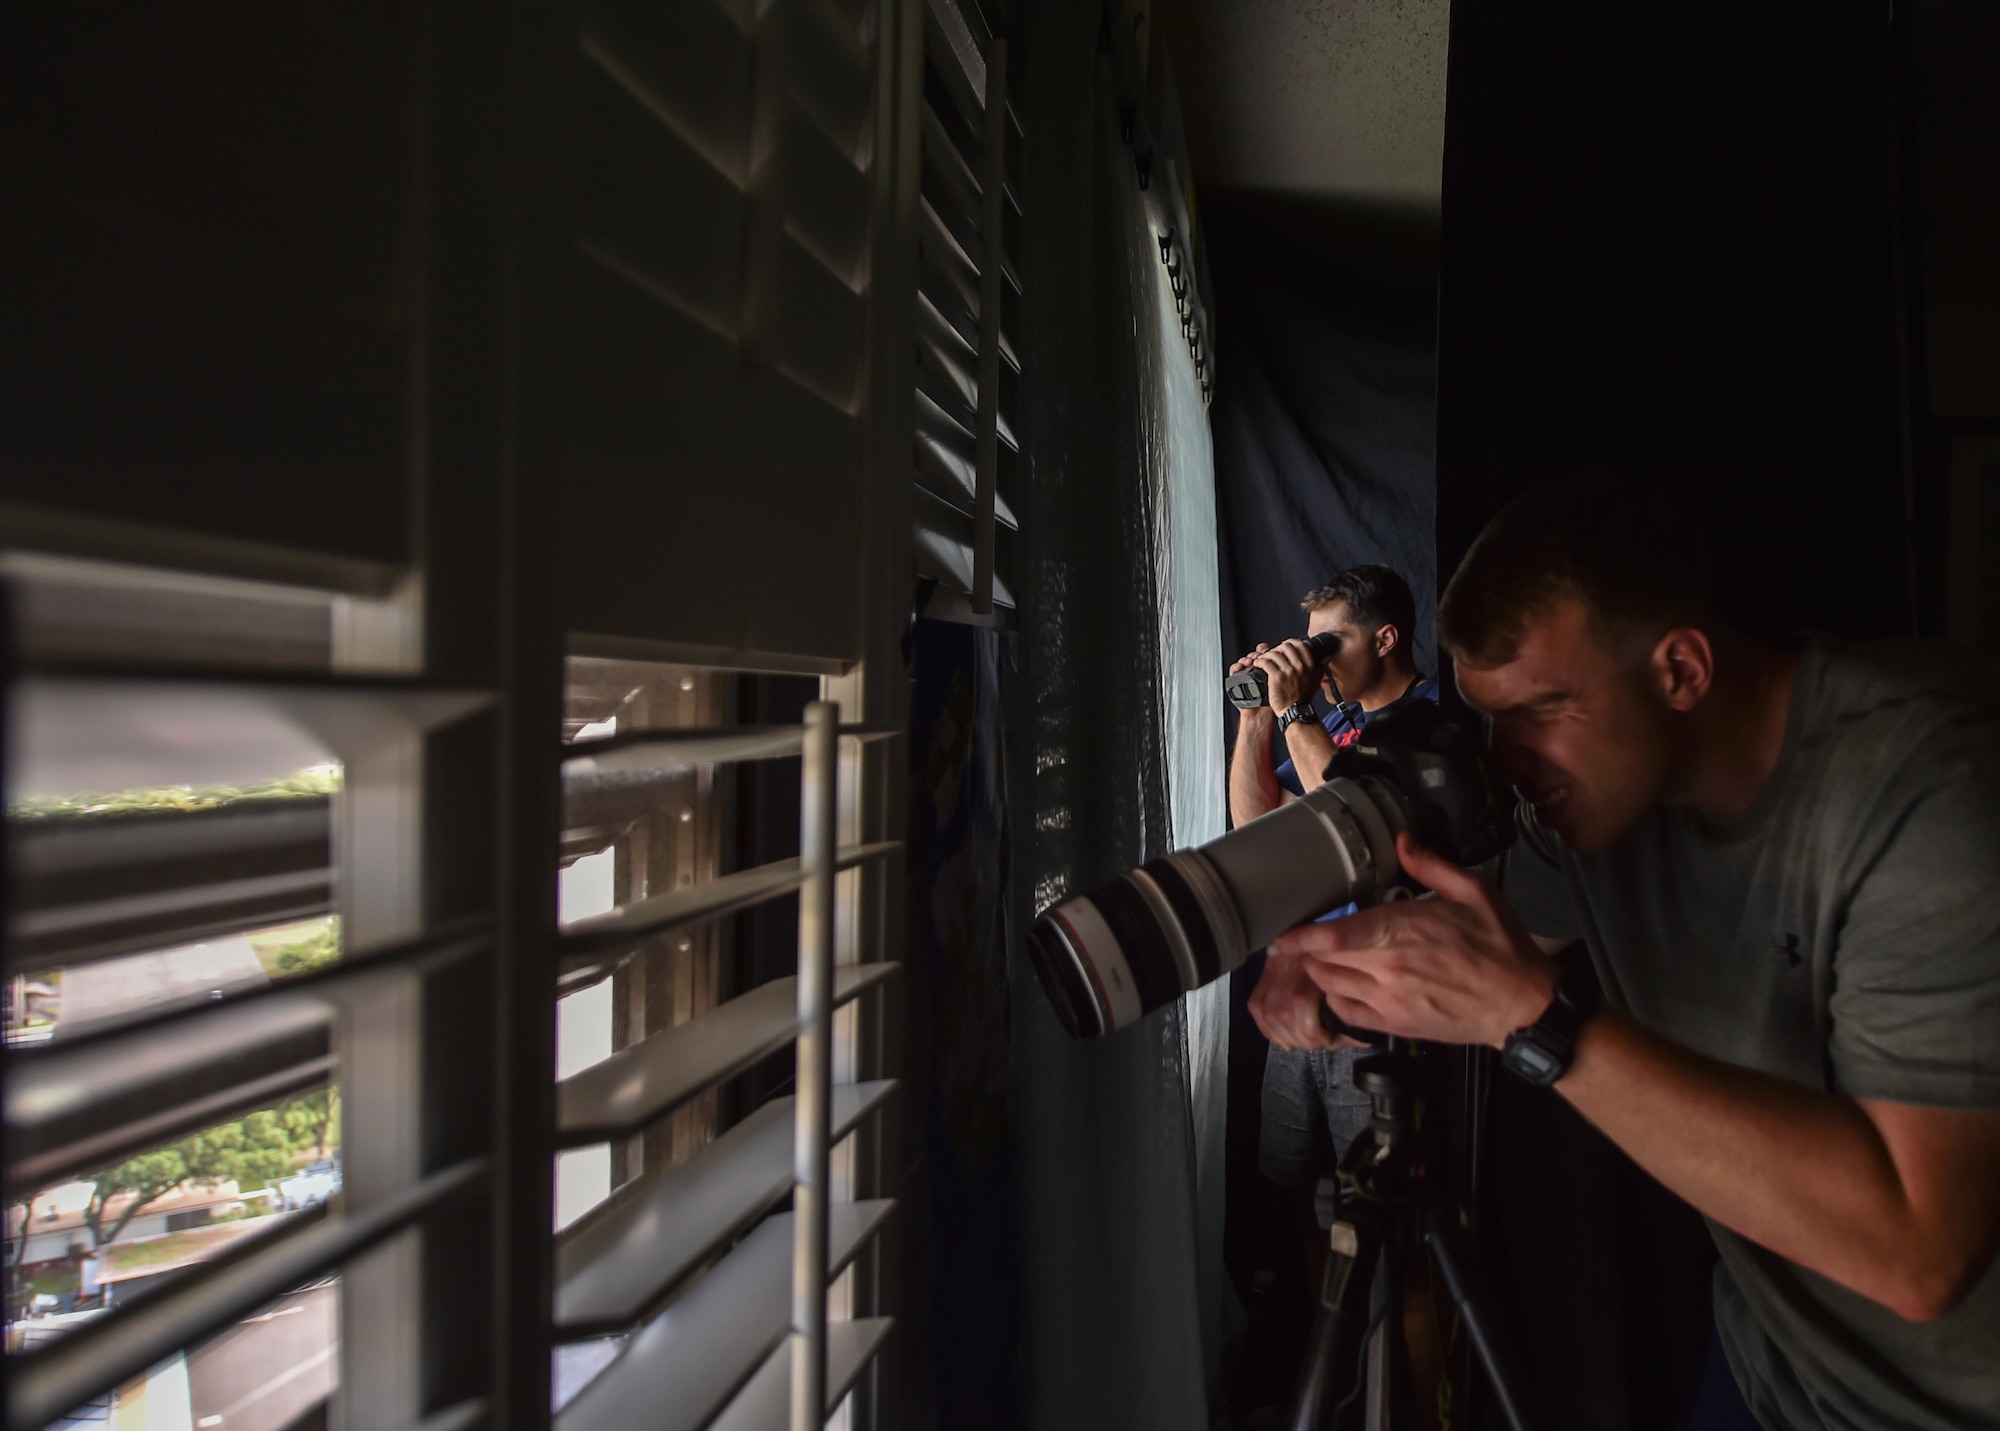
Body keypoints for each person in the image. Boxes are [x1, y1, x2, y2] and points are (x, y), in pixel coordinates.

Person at [1250, 479, 2000, 1431]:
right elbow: (1461, 940)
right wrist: (1320, 953)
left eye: (1538, 713)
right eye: (1492, 722)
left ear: (1681, 670)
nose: (1505, 763)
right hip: (1773, 1370)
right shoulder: (1588, 810)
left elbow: (1918, 1254)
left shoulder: (1933, 802)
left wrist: (1538, 1022)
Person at [1227, 566, 1438, 1187]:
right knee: (1291, 1188)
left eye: (1330, 644)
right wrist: (1257, 721)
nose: (1318, 663)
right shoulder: (1333, 727)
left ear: (1385, 639)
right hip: (1301, 995)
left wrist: (1294, 710)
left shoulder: (1429, 724)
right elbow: (1255, 827)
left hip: (1376, 1009)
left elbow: (1352, 814)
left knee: (1382, 1201)